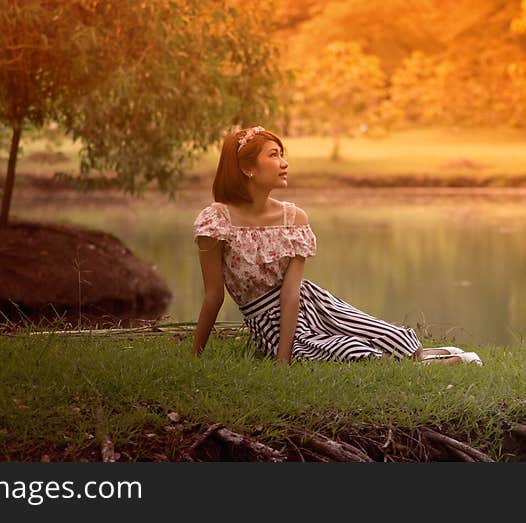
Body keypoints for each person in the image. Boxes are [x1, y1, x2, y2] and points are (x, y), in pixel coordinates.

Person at [191, 126, 482, 366]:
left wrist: (282, 361)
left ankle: (438, 356)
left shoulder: (294, 218)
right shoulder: (216, 221)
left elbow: (292, 294)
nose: (284, 163)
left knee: (393, 340)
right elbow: (214, 296)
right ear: (247, 168)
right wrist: (196, 357)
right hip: (267, 321)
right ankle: (445, 364)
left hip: (314, 304)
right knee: (353, 355)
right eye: (274, 155)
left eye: (283, 154)